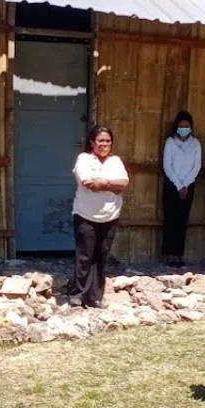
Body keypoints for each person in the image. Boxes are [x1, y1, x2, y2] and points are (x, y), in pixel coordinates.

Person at [71, 126, 129, 308]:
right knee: (84, 256)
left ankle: (95, 296)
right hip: (85, 215)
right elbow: (87, 183)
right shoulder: (84, 159)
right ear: (92, 142)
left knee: (101, 256)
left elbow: (125, 182)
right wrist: (112, 185)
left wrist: (103, 182)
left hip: (110, 216)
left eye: (107, 141)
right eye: (100, 141)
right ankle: (78, 294)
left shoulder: (116, 161)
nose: (104, 144)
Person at [162, 110, 201, 266]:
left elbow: (196, 166)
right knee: (171, 218)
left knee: (183, 219)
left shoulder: (196, 144)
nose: (184, 128)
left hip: (189, 185)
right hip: (172, 185)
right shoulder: (170, 142)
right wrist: (178, 185)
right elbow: (167, 166)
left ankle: (179, 254)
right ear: (176, 127)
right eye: (181, 126)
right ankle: (168, 253)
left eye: (187, 126)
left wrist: (186, 184)